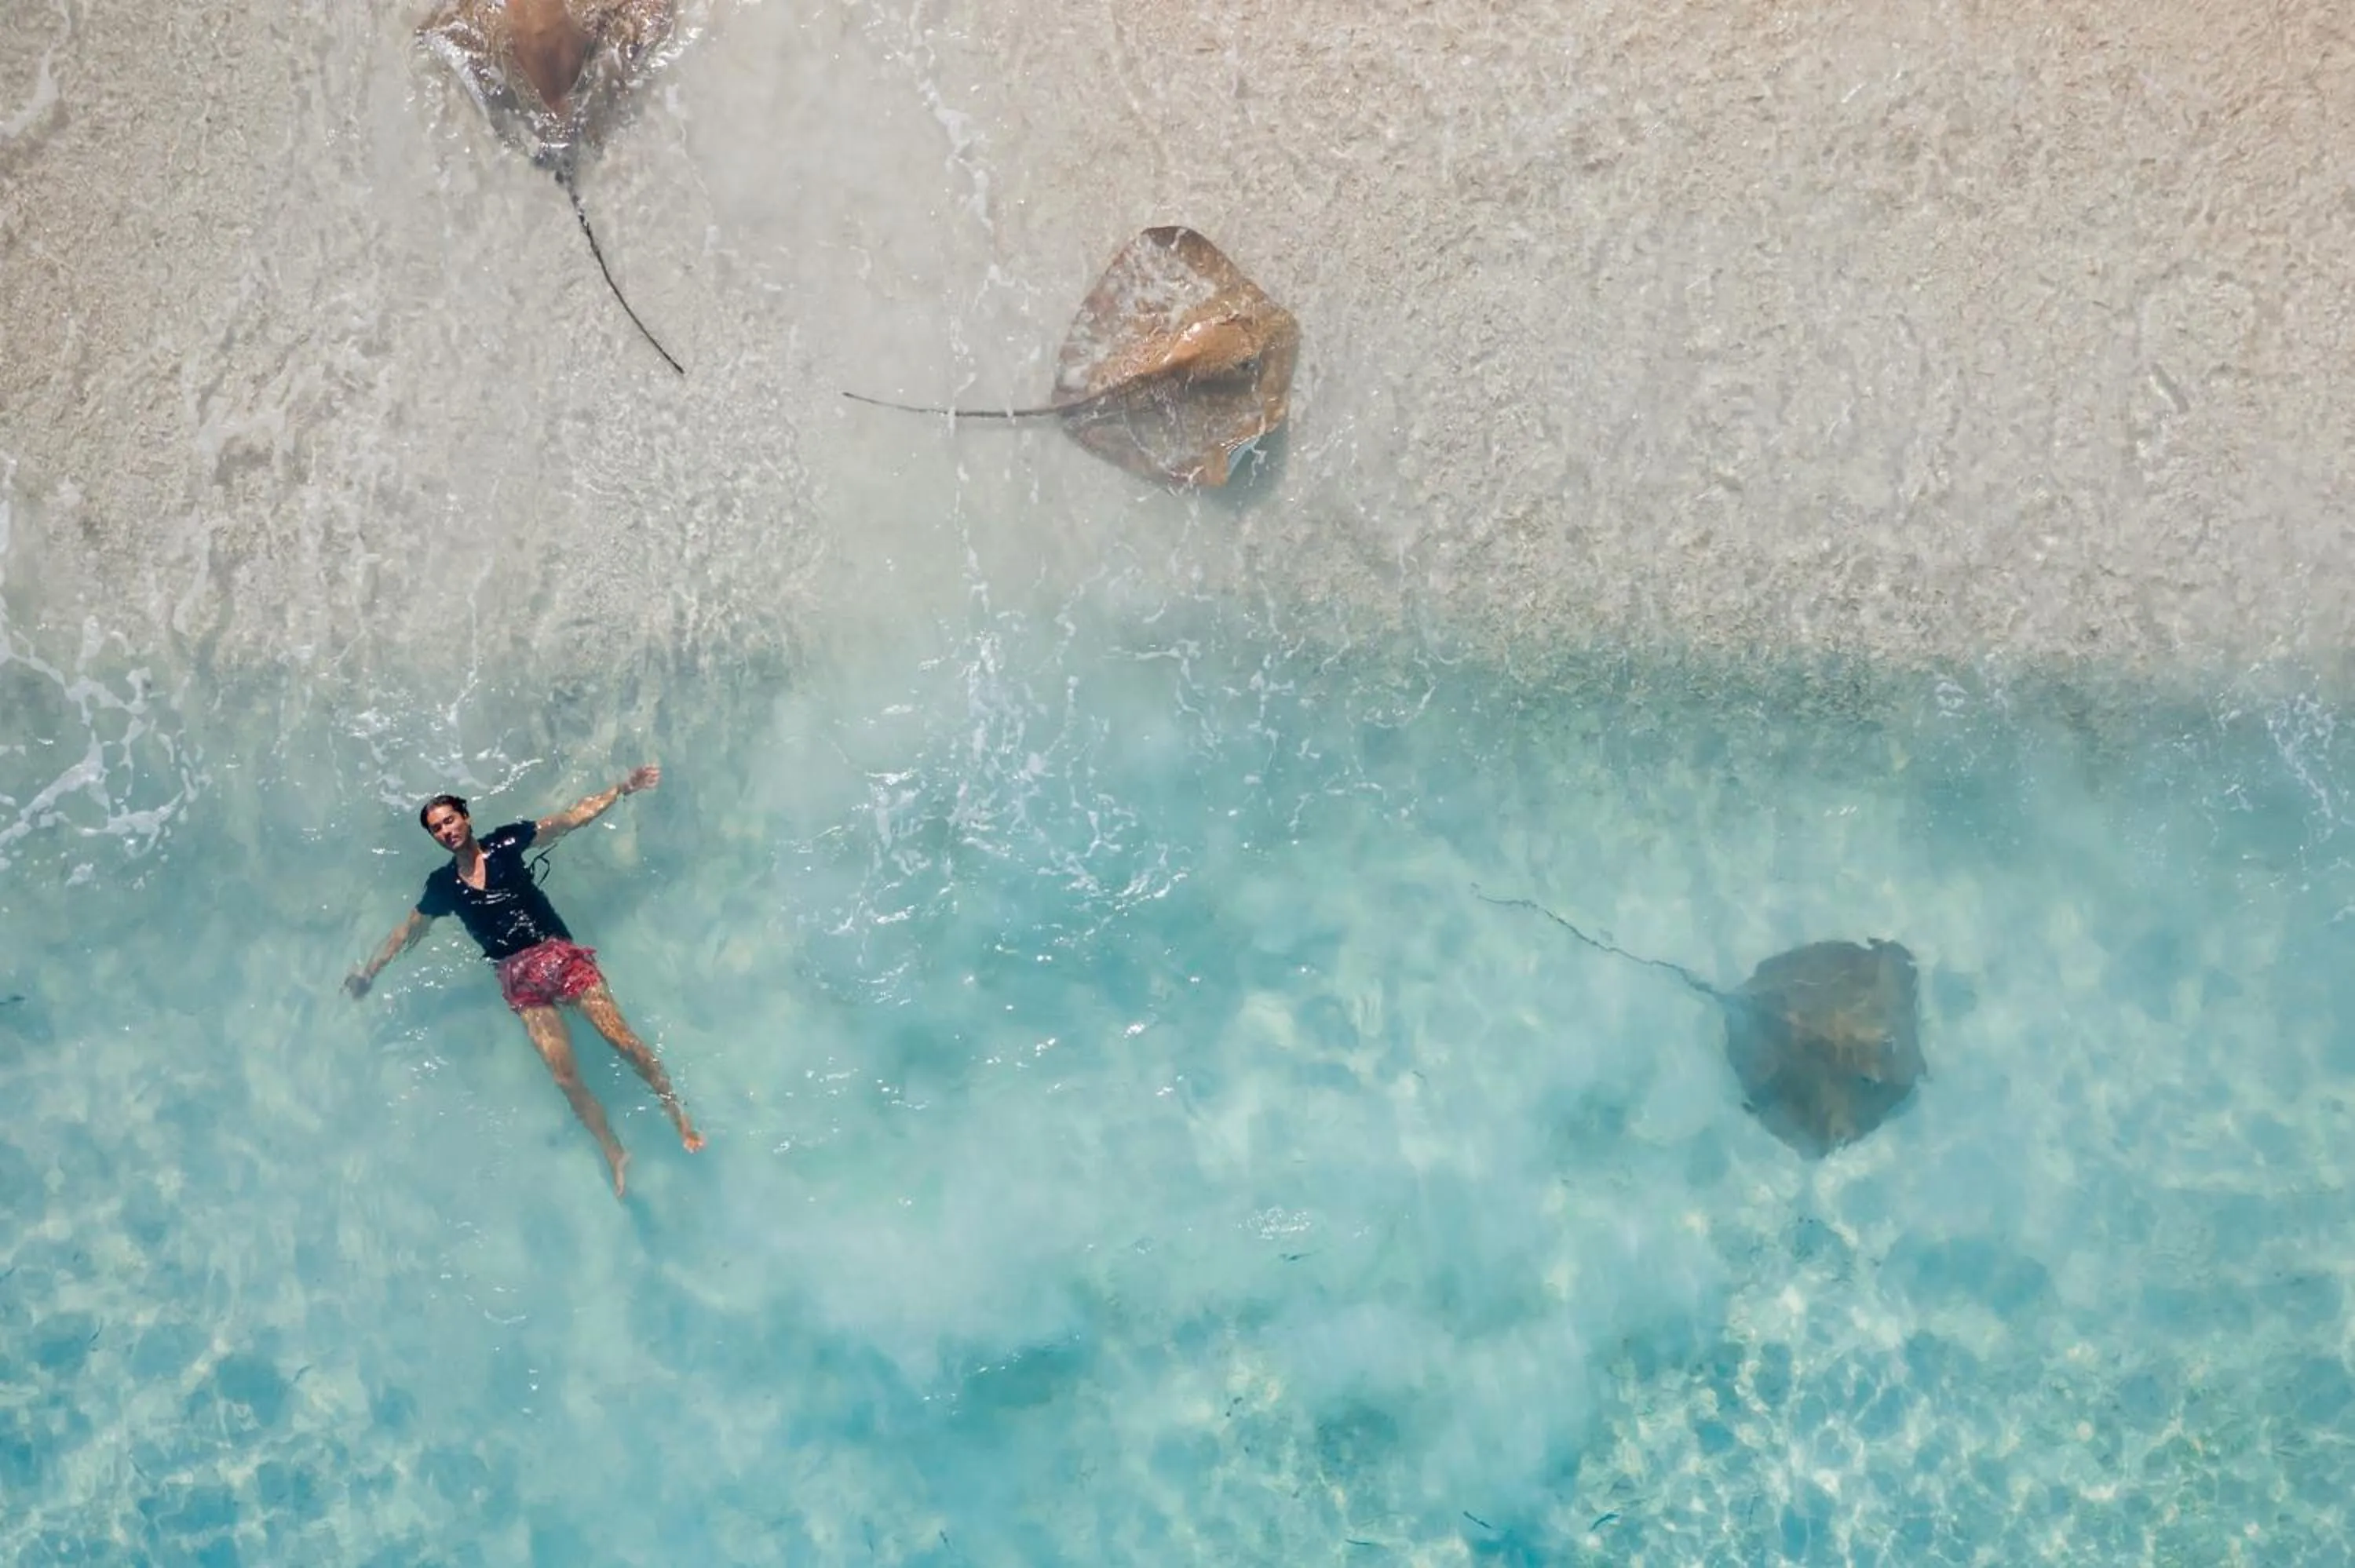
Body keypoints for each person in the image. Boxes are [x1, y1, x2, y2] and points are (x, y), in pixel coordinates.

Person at [345, 764, 702, 1196]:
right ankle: (613, 1151)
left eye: (450, 820)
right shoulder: (443, 886)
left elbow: (569, 819)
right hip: (518, 980)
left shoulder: (507, 843)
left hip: (560, 958)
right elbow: (408, 930)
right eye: (436, 829)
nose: (446, 831)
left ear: (466, 818)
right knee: (564, 1078)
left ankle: (677, 1114)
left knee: (622, 1041)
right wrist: (369, 973)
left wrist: (623, 788)